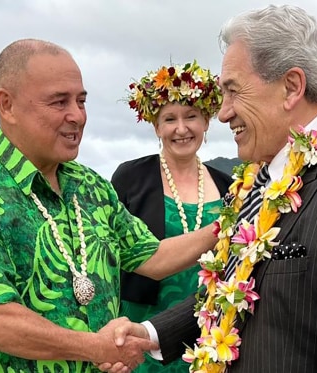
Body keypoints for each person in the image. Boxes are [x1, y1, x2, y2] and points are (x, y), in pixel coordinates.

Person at [100, 5, 317, 373]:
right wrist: (150, 333)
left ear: (291, 87)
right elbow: (230, 290)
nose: (223, 113)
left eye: (233, 91)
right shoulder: (256, 180)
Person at [0, 39, 222, 373]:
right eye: (60, 102)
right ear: (7, 104)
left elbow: (152, 257)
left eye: (81, 101)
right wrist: (96, 347)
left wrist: (233, 224)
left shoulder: (91, 186)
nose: (78, 116)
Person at [111, 60, 232, 372]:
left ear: (206, 120)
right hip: (142, 329)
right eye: (169, 119)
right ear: (156, 127)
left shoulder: (228, 185)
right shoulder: (130, 178)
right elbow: (110, 261)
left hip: (208, 327)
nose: (181, 128)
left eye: (191, 116)